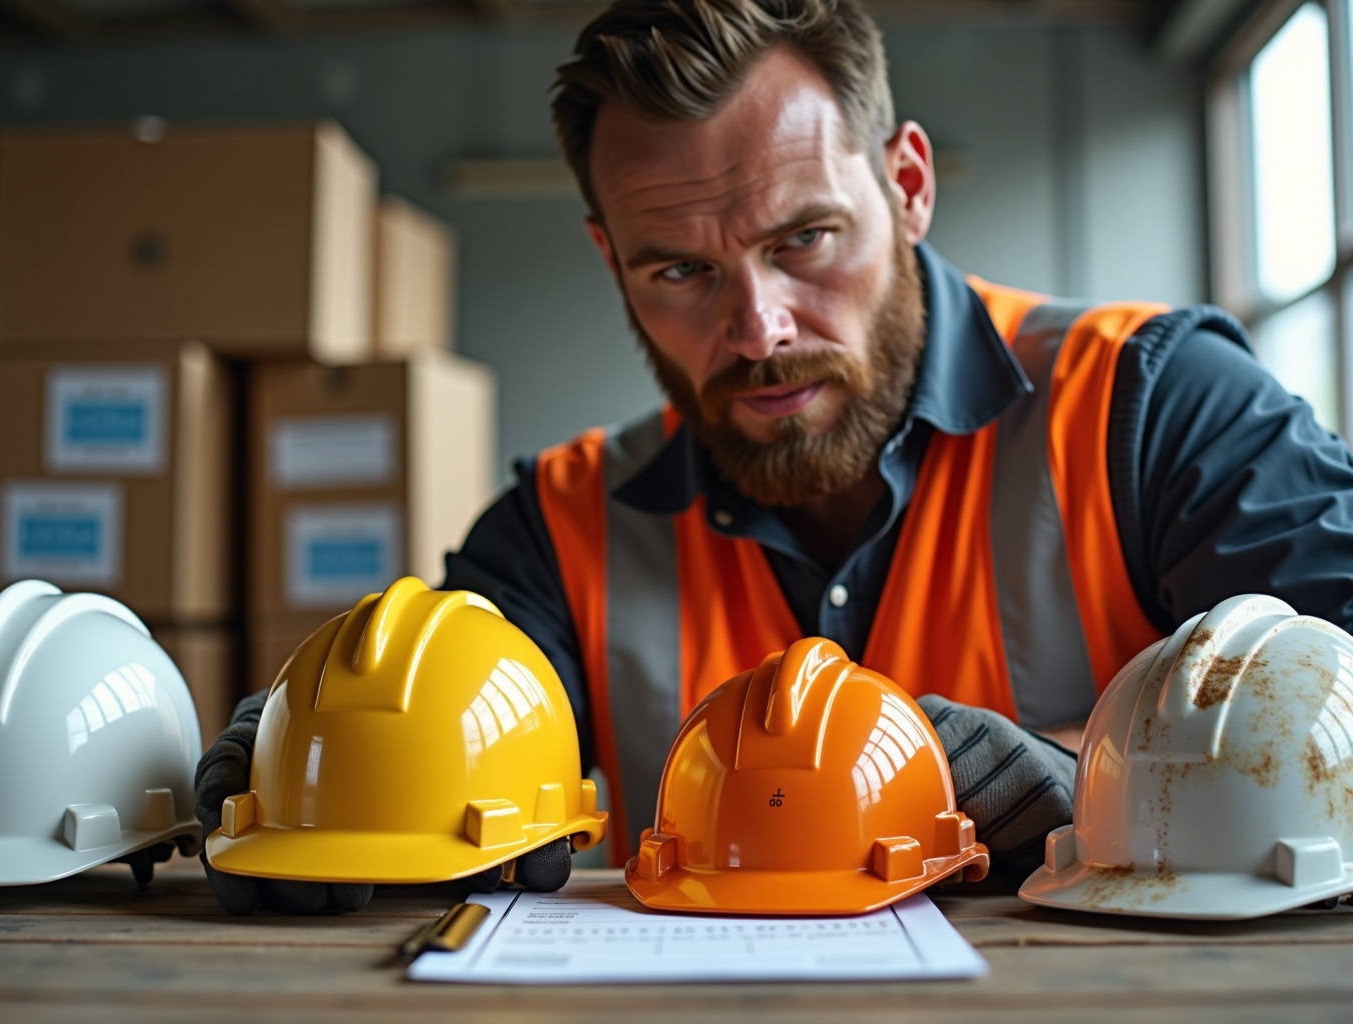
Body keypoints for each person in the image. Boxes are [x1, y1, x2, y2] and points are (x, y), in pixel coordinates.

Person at [196, 0, 1353, 913]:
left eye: (803, 239)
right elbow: (447, 728)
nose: (758, 330)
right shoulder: (561, 526)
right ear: (612, 261)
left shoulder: (1152, 404)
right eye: (679, 272)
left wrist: (1099, 786)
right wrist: (316, 742)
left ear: (906, 184)